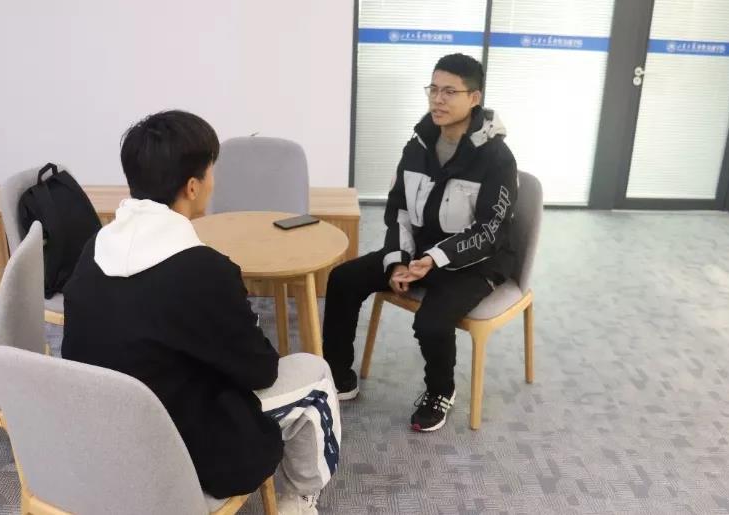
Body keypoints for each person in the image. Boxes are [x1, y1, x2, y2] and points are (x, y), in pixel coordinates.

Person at [62, 110, 340, 514]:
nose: (214, 180)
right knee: (315, 375)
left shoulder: (94, 248)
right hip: (183, 461)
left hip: (98, 447)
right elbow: (261, 371)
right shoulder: (205, 271)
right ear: (192, 187)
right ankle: (299, 500)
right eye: (212, 170)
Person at [322, 53, 518, 432]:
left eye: (450, 92)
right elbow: (398, 207)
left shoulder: (497, 158)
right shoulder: (418, 144)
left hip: (476, 262)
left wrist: (435, 259)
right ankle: (338, 374)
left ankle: (441, 391)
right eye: (433, 89)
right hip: (420, 251)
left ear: (474, 98)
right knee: (343, 279)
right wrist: (399, 259)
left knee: (431, 321)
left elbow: (490, 230)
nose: (438, 100)